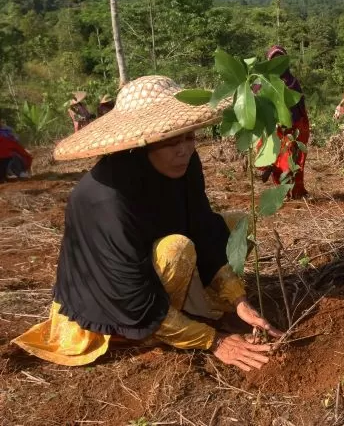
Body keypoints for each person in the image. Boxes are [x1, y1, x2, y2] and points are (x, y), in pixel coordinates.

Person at [12, 76, 283, 371]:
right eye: (170, 142)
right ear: (144, 144)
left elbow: (203, 227)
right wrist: (214, 341)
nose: (184, 150)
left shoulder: (186, 163)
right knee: (176, 250)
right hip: (112, 302)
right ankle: (149, 334)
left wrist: (238, 299)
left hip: (149, 267)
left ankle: (194, 309)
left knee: (237, 224)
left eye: (188, 137)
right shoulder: (106, 199)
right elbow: (131, 296)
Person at [254, 45, 310, 199]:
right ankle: (282, 192)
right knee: (279, 160)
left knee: (294, 160)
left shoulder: (292, 81)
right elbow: (255, 97)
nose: (278, 62)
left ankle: (296, 191)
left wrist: (295, 123)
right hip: (274, 127)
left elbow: (299, 104)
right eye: (274, 59)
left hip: (293, 127)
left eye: (281, 59)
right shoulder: (263, 80)